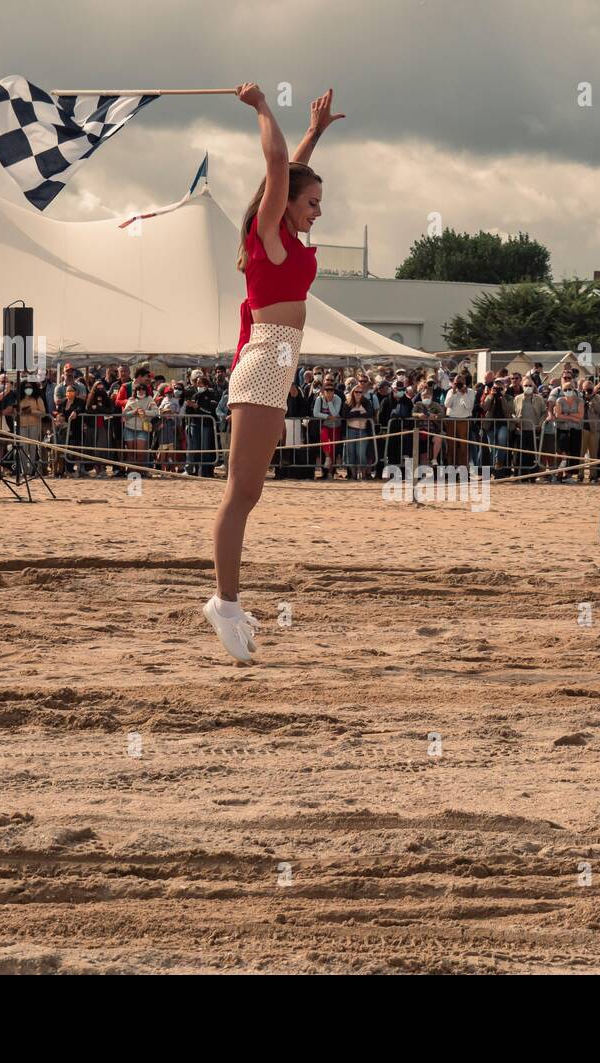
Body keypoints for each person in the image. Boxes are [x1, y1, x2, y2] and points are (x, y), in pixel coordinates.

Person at [206, 84, 343, 663]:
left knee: (249, 492)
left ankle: (228, 603)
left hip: (276, 364)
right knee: (241, 493)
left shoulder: (284, 235)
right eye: (310, 202)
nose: (317, 210)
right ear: (284, 203)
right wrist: (263, 108)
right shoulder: (268, 236)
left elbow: (286, 170)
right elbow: (275, 166)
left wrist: (315, 133)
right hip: (265, 361)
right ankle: (225, 606)